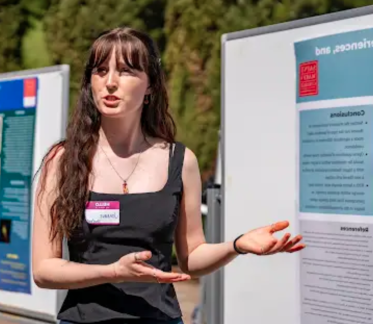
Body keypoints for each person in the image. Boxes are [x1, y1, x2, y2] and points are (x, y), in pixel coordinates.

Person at [32, 27, 305, 324]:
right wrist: (112, 272)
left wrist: (236, 245)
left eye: (126, 71)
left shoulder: (180, 160)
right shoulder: (62, 161)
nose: (110, 82)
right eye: (100, 70)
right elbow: (44, 270)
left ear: (150, 85)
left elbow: (192, 258)